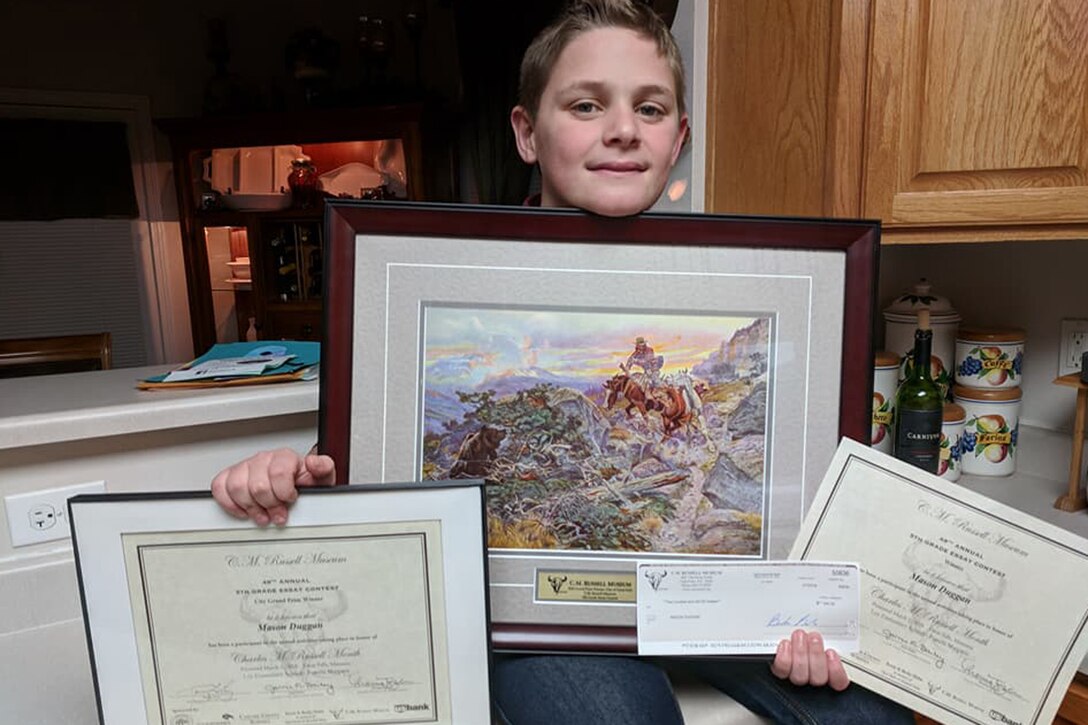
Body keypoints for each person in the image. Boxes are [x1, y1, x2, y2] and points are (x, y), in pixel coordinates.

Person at [212, 2, 913, 723]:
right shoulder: (432, 270)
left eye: (649, 107)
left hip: (707, 597)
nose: (621, 128)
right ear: (525, 132)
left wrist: (811, 605)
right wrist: (286, 476)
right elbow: (373, 452)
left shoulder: (745, 279)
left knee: (870, 715)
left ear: (678, 140)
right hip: (540, 612)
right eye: (586, 104)